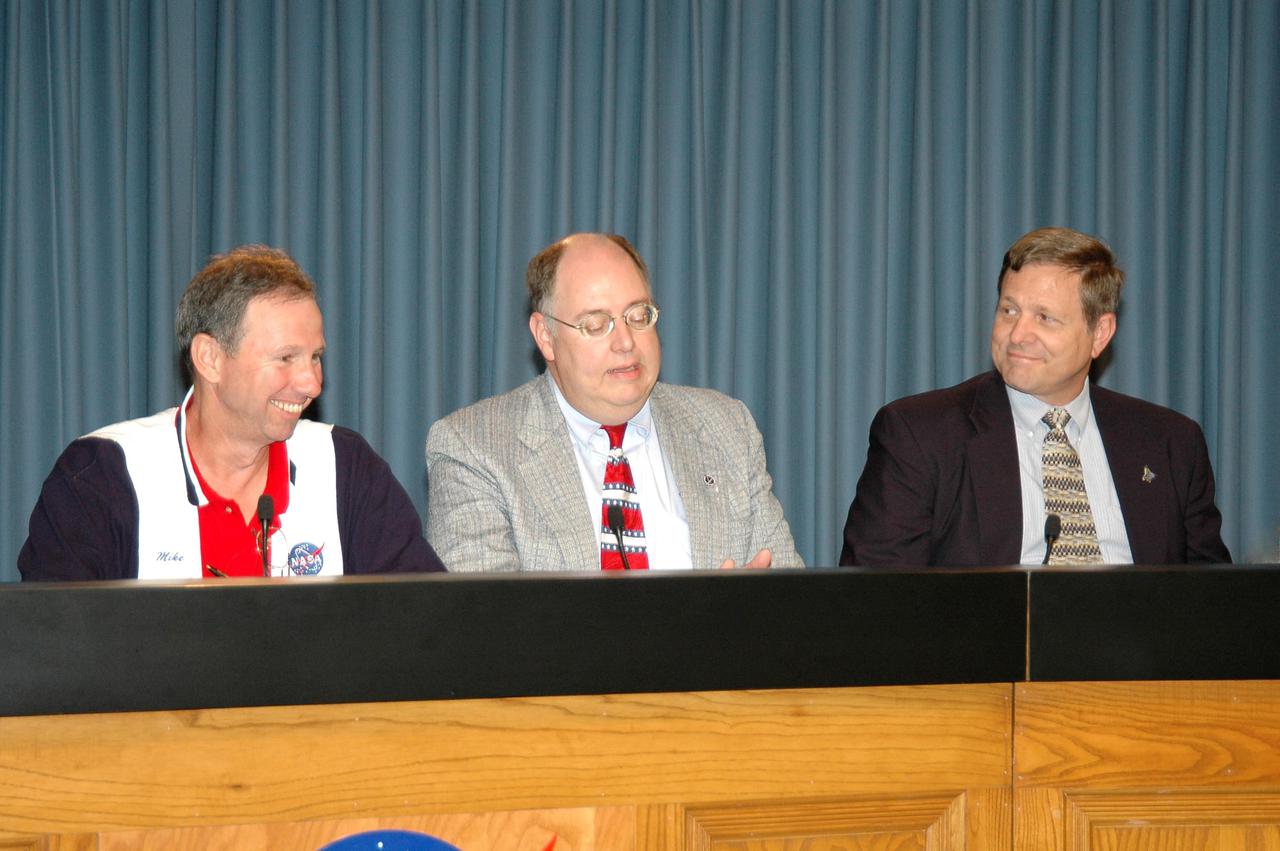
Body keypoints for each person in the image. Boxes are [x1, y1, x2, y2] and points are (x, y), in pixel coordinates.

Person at [19, 246, 445, 580]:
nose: (311, 383)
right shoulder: (102, 476)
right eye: (285, 358)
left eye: (315, 357)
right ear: (209, 358)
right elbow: (56, 652)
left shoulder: (347, 468)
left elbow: (423, 628)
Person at [840, 226, 1230, 567]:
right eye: (1009, 310)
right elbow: (877, 602)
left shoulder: (1170, 443)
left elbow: (1214, 605)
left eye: (1044, 317)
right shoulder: (920, 435)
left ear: (1100, 333)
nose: (1018, 334)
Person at [426, 232, 802, 572]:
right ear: (545, 335)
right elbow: (485, 629)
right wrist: (699, 630)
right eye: (596, 324)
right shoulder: (475, 448)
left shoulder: (727, 430)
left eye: (638, 316)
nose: (625, 342)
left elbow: (794, 609)